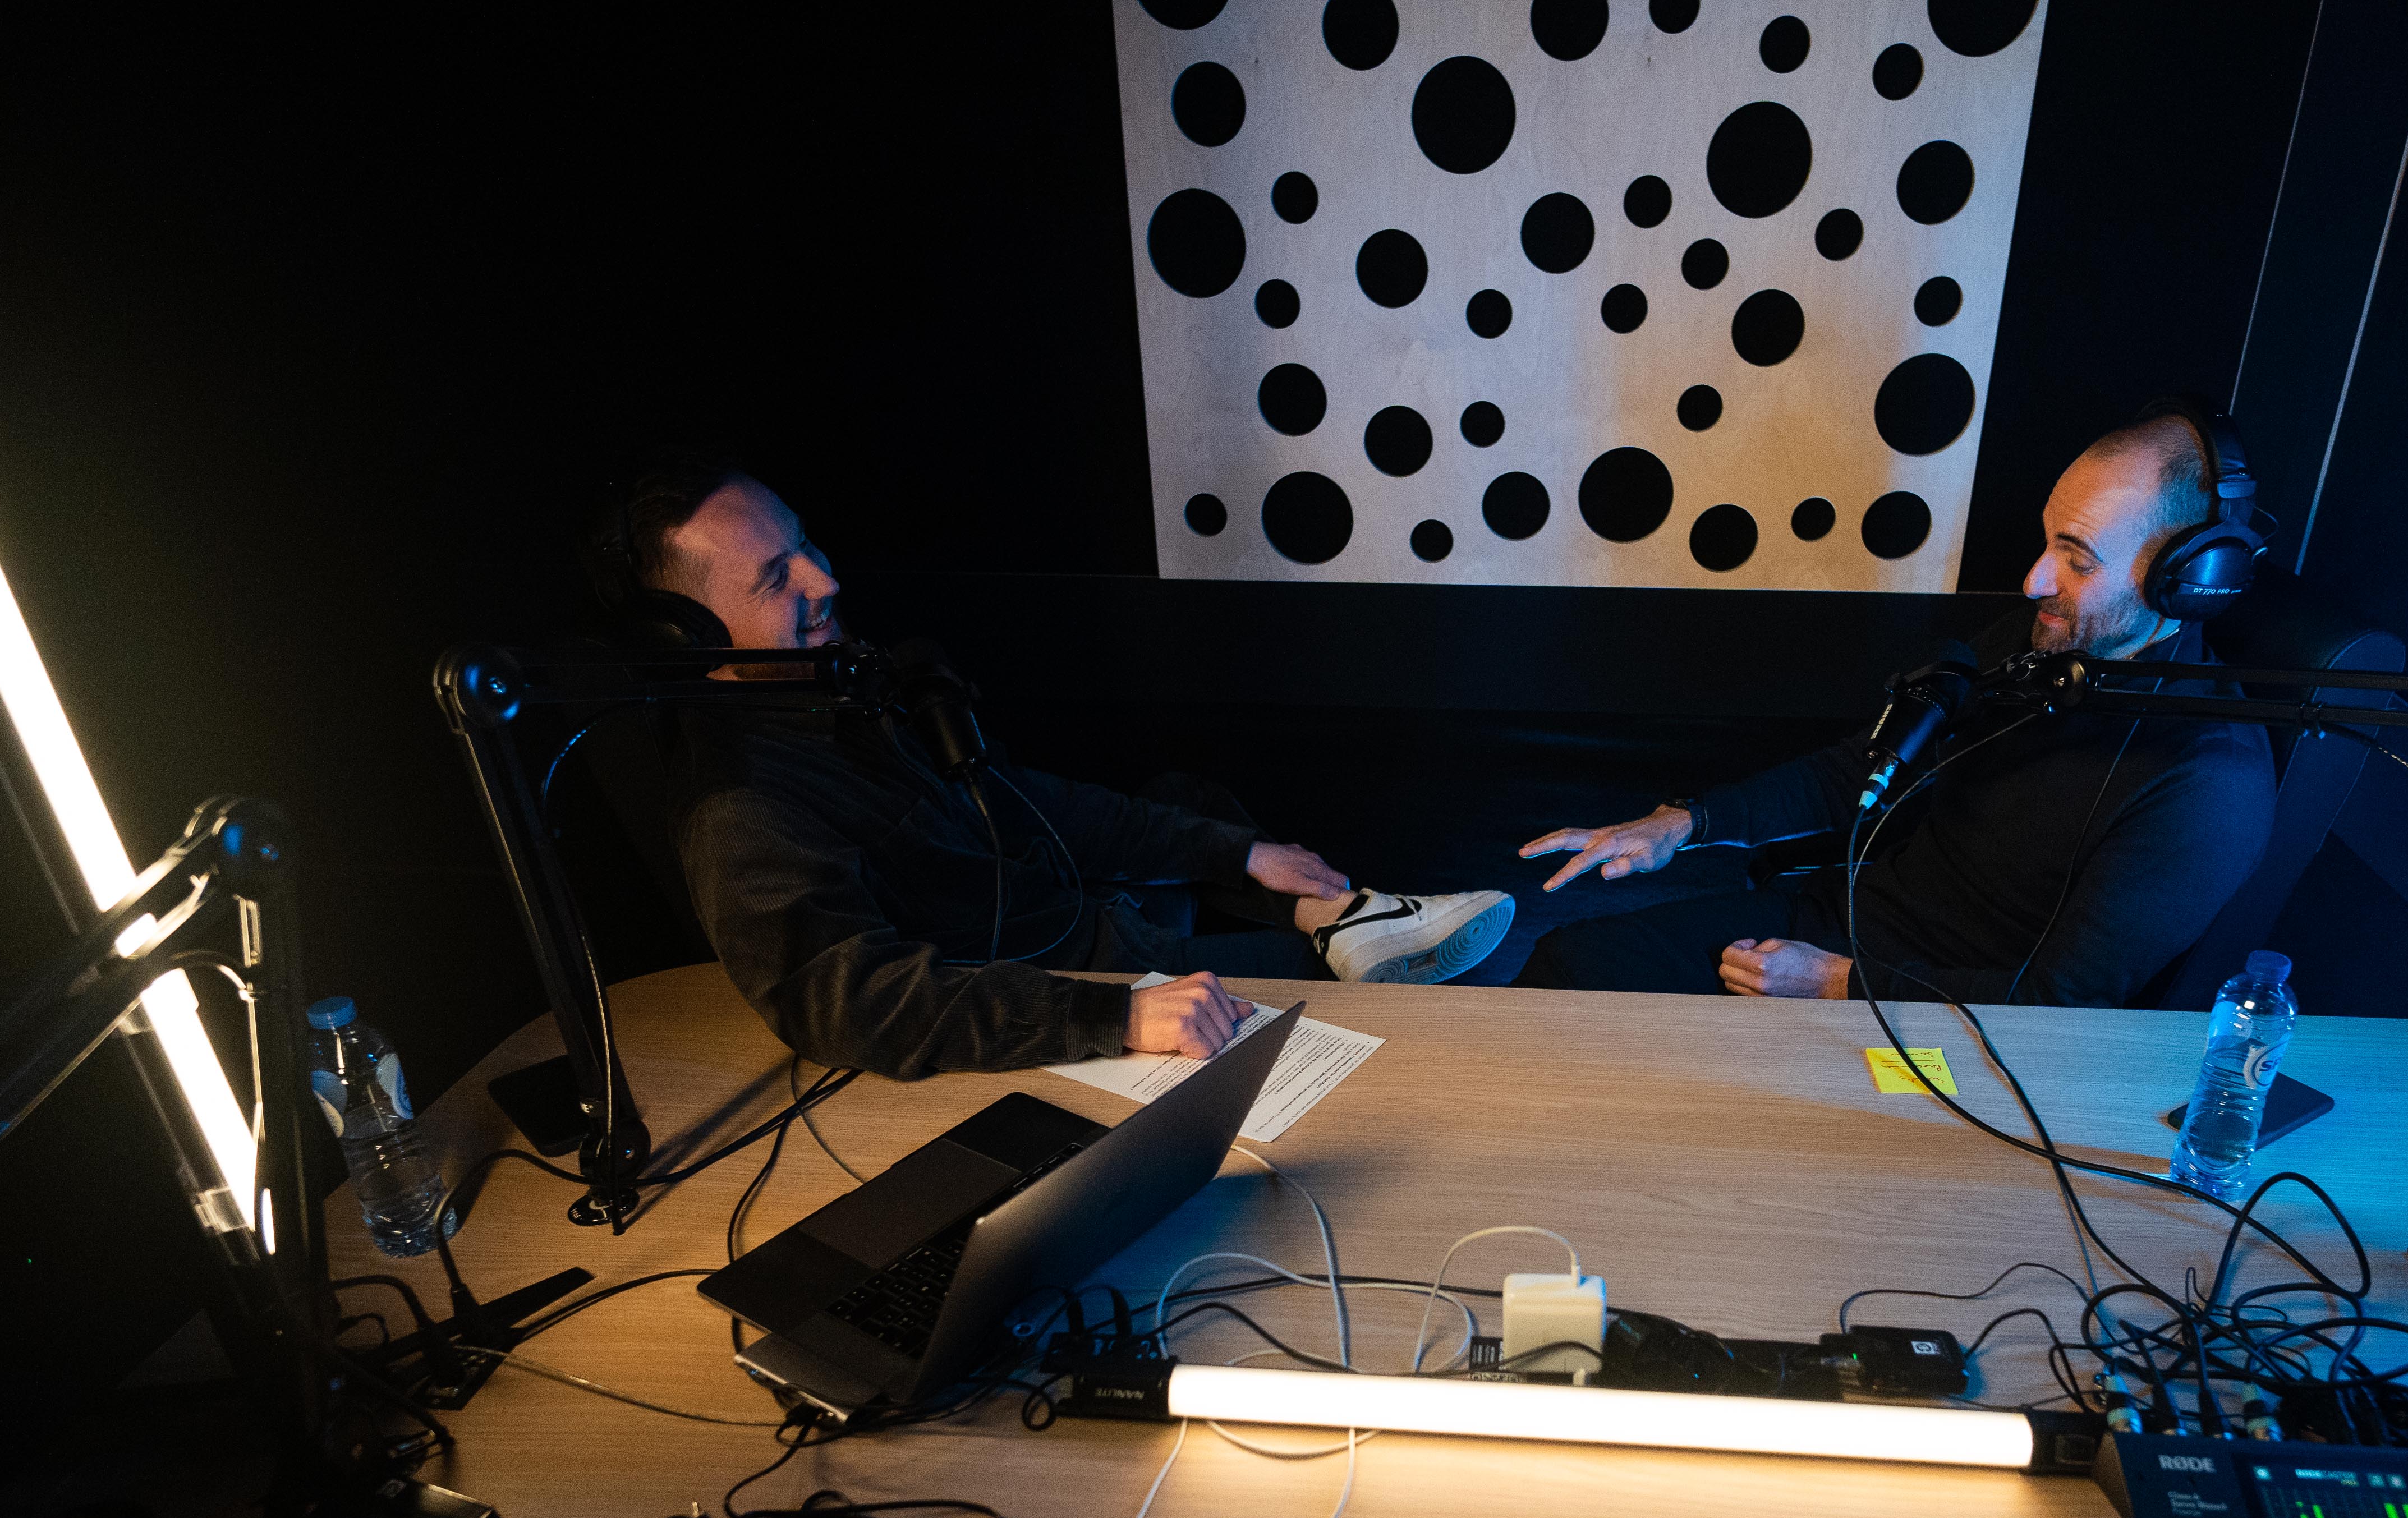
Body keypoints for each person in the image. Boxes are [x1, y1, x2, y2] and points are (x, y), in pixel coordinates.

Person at [609, 458, 1513, 1077]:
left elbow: (1021, 800)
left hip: (1085, 911)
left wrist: (1234, 851)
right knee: (1378, 995)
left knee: (1187, 808)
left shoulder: (843, 687)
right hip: (1072, 980)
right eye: (776, 578)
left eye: (805, 543)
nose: (823, 580)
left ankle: (1341, 916)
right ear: (686, 640)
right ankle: (1339, 936)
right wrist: (1110, 1018)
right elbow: (848, 1004)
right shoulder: (741, 808)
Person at [1511, 411, 2274, 1008]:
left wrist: (1839, 985)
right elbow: (1864, 767)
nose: (2036, 578)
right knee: (1568, 971)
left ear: (2187, 578)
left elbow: (2060, 1002)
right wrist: (1684, 821)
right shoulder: (2046, 640)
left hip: (1936, 1015)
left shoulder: (2207, 781)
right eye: (2048, 541)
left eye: (2077, 559)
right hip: (1838, 927)